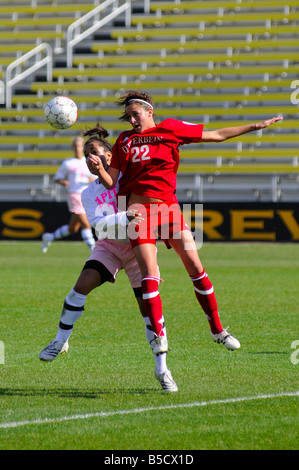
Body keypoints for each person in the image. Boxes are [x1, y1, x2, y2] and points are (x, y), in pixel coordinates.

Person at [88, 89, 283, 354]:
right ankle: (159, 337)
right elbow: (112, 182)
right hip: (136, 210)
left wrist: (255, 126)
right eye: (129, 117)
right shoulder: (124, 141)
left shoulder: (171, 129)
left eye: (136, 115)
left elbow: (215, 135)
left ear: (149, 111)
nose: (132, 121)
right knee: (149, 275)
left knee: (195, 266)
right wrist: (100, 169)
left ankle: (217, 329)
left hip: (168, 208)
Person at [39, 125, 178, 392]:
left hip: (140, 248)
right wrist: (124, 217)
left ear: (110, 156)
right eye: (87, 153)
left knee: (148, 310)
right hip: (110, 246)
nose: (91, 158)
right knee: (81, 286)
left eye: (96, 152)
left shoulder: (128, 177)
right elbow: (99, 226)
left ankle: (162, 370)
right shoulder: (88, 193)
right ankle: (60, 341)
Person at [41, 136, 96, 253]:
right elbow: (57, 178)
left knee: (73, 228)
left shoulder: (89, 160)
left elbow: (97, 177)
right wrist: (64, 182)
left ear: (84, 147)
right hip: (75, 195)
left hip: (87, 196)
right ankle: (94, 250)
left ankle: (48, 237)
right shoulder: (68, 163)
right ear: (72, 148)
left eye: (80, 146)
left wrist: (92, 180)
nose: (78, 148)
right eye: (75, 146)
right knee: (86, 224)